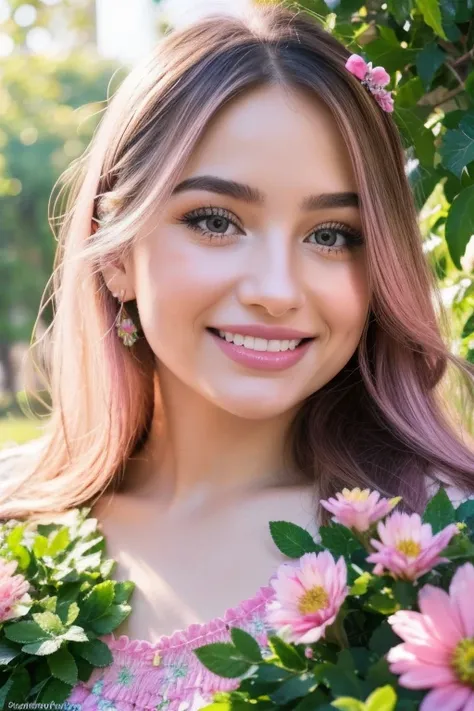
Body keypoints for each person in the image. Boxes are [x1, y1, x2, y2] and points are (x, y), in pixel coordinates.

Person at [1, 3, 473, 708]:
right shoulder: (14, 522)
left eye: (332, 234)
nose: (277, 291)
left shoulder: (439, 545)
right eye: (216, 221)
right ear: (117, 254)